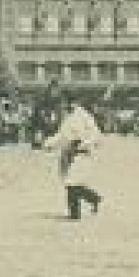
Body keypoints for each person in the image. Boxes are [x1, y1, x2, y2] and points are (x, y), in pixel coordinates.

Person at [43, 92, 103, 220]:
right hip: (68, 153)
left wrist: (84, 144)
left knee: (72, 182)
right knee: (70, 182)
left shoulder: (85, 117)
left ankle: (75, 213)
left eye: (71, 102)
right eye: (66, 103)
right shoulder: (67, 117)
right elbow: (61, 135)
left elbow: (96, 135)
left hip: (81, 154)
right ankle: (94, 198)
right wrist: (48, 143)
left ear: (77, 103)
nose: (69, 105)